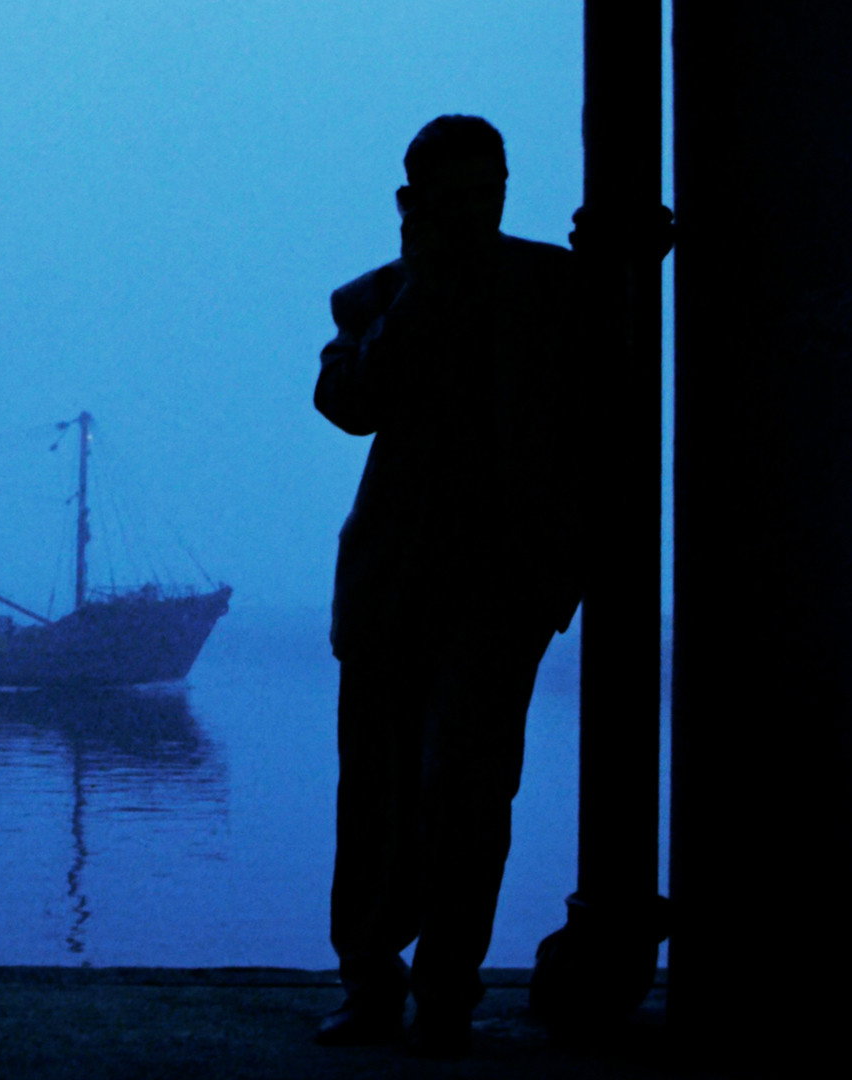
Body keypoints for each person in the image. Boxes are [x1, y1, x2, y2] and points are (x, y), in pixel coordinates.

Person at [311, 115, 591, 1058]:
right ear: (413, 204)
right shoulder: (372, 299)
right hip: (391, 585)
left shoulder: (558, 288)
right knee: (375, 796)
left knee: (469, 797)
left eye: (490, 194)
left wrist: (557, 574)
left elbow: (602, 424)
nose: (478, 213)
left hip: (502, 589)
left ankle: (443, 994)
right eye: (456, 199)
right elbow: (353, 403)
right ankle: (371, 981)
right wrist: (424, 286)